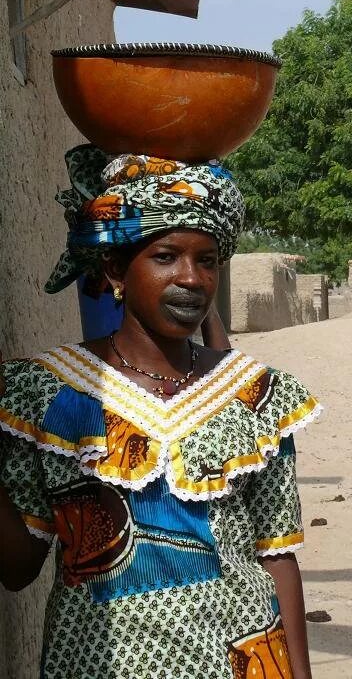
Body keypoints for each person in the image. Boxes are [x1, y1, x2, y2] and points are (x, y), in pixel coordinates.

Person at [0, 145, 322, 679]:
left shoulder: (255, 394)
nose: (192, 279)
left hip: (239, 658)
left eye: (208, 260)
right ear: (115, 266)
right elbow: (17, 569)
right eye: (166, 256)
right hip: (96, 663)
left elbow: (276, 556)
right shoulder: (48, 396)